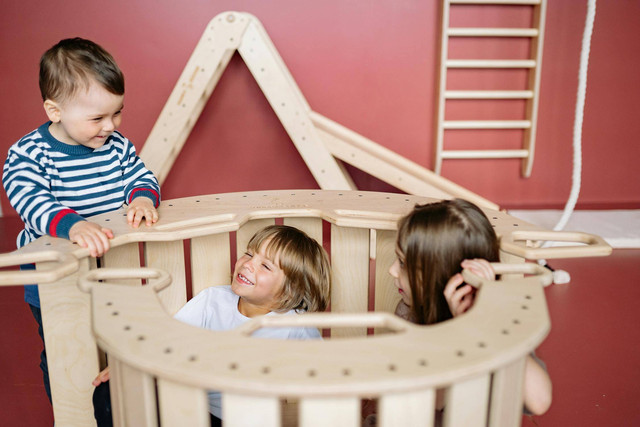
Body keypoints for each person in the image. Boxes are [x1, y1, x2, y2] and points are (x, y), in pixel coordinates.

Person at [2, 37, 160, 402]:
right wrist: (73, 224)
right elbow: (30, 199)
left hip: (113, 261)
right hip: (59, 270)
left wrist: (141, 197)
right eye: (97, 118)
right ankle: (72, 408)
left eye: (116, 112)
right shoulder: (30, 154)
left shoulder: (117, 146)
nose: (110, 126)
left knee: (117, 338)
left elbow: (141, 175)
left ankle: (118, 403)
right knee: (68, 346)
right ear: (55, 112)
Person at [92, 224, 331, 426]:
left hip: (251, 420)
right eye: (249, 254)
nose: (248, 264)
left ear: (290, 290)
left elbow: (325, 372)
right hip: (196, 411)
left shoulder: (295, 324)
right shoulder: (213, 299)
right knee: (109, 392)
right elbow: (168, 338)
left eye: (265, 265)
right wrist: (132, 363)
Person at [387, 199, 552, 418]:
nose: (391, 271)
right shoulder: (410, 313)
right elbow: (418, 403)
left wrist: (481, 322)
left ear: (440, 275)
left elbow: (539, 401)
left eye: (402, 263)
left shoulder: (498, 320)